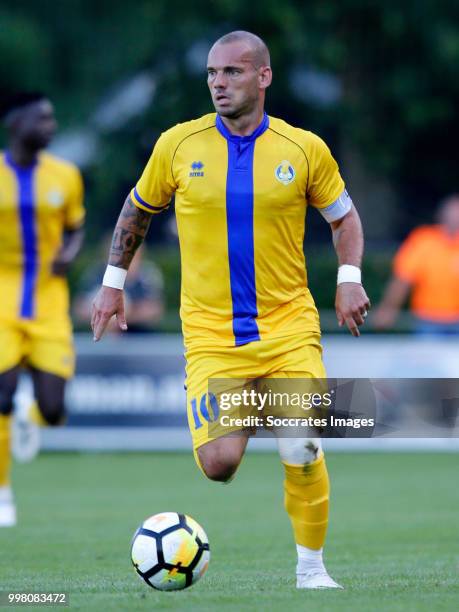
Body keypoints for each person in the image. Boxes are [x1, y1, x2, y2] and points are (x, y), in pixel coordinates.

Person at [91, 31, 370, 589]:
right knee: (219, 464)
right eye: (213, 74)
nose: (219, 83)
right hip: (212, 333)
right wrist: (112, 284)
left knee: (302, 440)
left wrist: (349, 279)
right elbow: (136, 210)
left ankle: (311, 571)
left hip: (289, 324)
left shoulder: (302, 149)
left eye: (233, 73)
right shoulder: (178, 145)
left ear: (263, 77)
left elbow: (345, 218)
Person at [0, 92, 85, 526]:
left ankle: (30, 419)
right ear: (16, 124)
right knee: (1, 394)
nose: (51, 126)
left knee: (53, 409)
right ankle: (2, 493)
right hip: (2, 299)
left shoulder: (66, 175)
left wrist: (69, 252)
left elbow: (76, 228)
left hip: (50, 302)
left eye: (54, 118)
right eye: (43, 118)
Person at [373, 194, 459, 334]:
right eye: (453, 214)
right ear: (442, 216)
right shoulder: (423, 240)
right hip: (428, 320)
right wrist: (388, 309)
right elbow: (403, 279)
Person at [74, 242, 164, 334]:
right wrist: (102, 314)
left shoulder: (147, 275)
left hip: (137, 335)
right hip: (98, 336)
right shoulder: (95, 274)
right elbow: (79, 308)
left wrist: (120, 316)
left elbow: (154, 310)